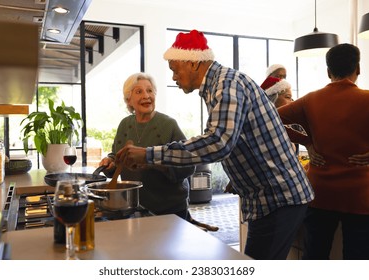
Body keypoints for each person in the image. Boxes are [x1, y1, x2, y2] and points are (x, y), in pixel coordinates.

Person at [116, 30, 314, 260]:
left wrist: (148, 155)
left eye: (174, 69)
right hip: (270, 199)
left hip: (278, 198)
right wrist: (238, 178)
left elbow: (218, 142)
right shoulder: (217, 87)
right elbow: (241, 139)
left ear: (191, 63)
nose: (173, 77)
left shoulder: (226, 84)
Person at [277, 43, 369, 259]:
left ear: (328, 71)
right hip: (360, 195)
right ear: (358, 69)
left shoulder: (311, 99)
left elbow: (271, 118)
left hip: (320, 193)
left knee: (315, 256)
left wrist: (306, 142)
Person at [98, 73, 197, 221]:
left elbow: (188, 165)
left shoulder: (168, 124)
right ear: (128, 100)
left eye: (150, 91)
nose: (146, 96)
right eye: (139, 91)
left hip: (169, 210)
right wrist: (110, 163)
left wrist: (151, 162)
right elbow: (116, 157)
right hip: (133, 207)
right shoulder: (125, 125)